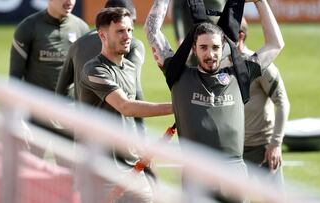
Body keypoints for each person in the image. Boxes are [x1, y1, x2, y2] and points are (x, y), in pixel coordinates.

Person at [145, 0, 284, 201]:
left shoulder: (240, 76)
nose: (210, 54)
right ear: (194, 47)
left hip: (234, 175)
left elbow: (275, 44)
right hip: (196, 175)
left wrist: (260, 2)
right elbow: (151, 32)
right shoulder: (178, 75)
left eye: (215, 47)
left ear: (224, 47)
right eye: (203, 47)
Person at [79, 7, 173, 202]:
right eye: (120, 31)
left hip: (133, 168)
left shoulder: (130, 68)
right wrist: (176, 107)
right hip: (101, 171)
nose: (127, 36)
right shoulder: (93, 70)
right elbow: (126, 107)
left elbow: (136, 113)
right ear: (102, 35)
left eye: (130, 30)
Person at [55, 0, 147, 136]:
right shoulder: (133, 45)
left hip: (86, 138)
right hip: (121, 139)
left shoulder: (77, 44)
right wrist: (142, 135)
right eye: (128, 22)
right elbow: (135, 89)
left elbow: (60, 92)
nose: (129, 33)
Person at [9, 0, 89, 156]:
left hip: (69, 116)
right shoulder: (28, 27)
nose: (69, 1)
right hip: (36, 116)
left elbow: (86, 78)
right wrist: (17, 118)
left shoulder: (81, 28)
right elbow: (15, 77)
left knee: (68, 174)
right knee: (30, 172)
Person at [239, 19, 290, 188]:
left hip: (262, 149)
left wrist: (275, 144)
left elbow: (282, 102)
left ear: (240, 36)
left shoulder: (260, 64)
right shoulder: (221, 64)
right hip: (234, 150)